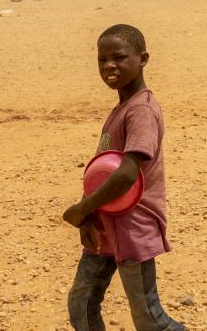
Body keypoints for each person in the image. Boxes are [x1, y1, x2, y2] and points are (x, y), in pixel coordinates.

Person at [62, 24, 186, 331]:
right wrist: (89, 213)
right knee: (82, 302)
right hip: (105, 225)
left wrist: (81, 209)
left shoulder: (141, 111)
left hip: (133, 228)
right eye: (102, 60)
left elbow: (126, 174)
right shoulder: (122, 108)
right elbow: (101, 171)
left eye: (118, 57)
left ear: (143, 59)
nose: (109, 66)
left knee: (148, 318)